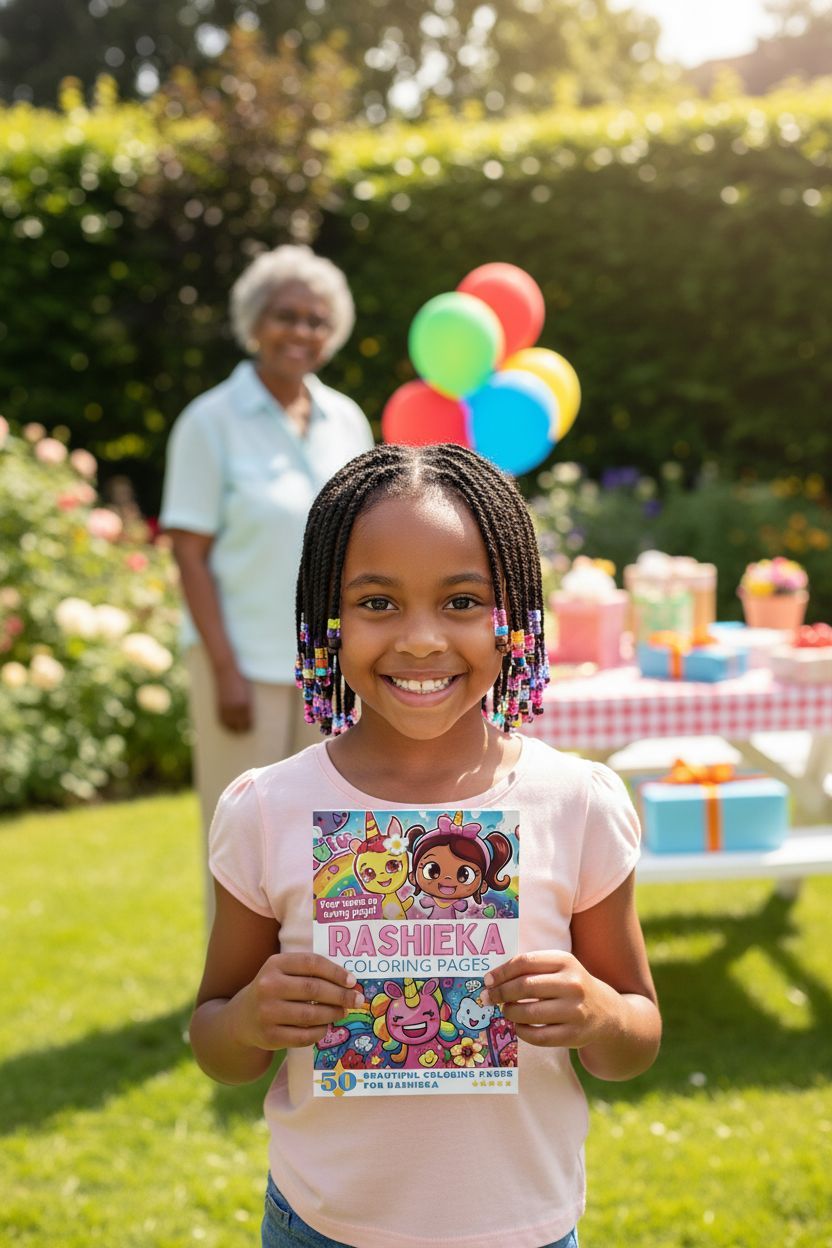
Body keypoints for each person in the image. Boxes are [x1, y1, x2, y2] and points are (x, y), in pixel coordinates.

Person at [190, 443, 661, 1248]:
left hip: (525, 1227)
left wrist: (599, 1012)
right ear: (324, 621)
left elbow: (636, 1038)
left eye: (462, 601)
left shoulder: (575, 804)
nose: (418, 641)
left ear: (512, 616)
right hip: (321, 1225)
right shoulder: (268, 810)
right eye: (376, 603)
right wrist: (249, 1024)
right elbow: (215, 1040)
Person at [159, 245, 374, 921]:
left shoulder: (346, 419)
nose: (301, 332)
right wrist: (223, 669)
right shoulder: (209, 422)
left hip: (331, 665)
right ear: (255, 323)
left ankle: (324, 985)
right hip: (241, 665)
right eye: (286, 316)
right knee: (240, 842)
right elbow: (188, 552)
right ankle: (236, 1001)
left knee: (333, 836)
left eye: (316, 320)